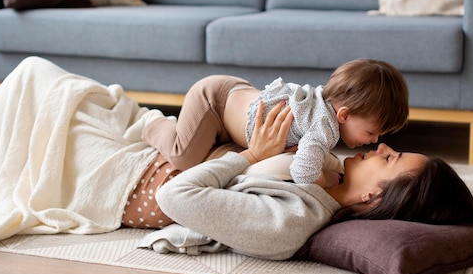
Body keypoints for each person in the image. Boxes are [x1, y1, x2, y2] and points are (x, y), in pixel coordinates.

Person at [128, 99, 473, 261]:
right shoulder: (328, 167)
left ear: (373, 197)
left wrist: (252, 156)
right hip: (170, 148)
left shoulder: (290, 222)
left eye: (390, 159)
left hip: (138, 180)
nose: (382, 146)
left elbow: (173, 195)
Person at [140, 59, 410, 186]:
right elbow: (304, 174)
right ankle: (152, 123)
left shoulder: (324, 111)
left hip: (238, 99)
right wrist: (334, 178)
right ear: (344, 115)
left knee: (220, 159)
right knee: (183, 158)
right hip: (214, 103)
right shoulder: (323, 129)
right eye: (372, 132)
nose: (375, 141)